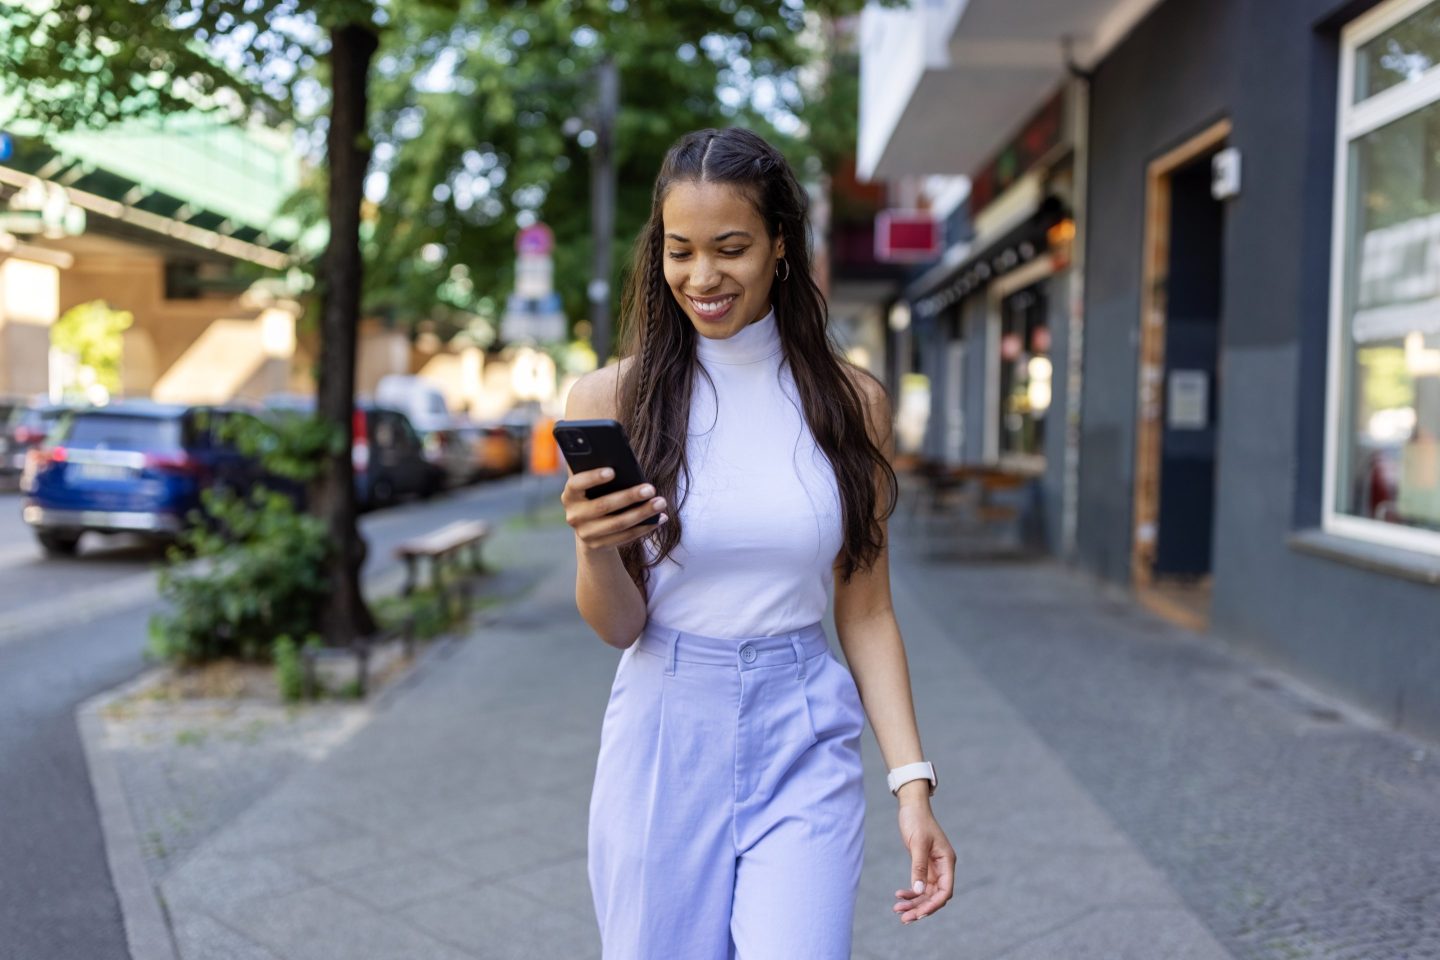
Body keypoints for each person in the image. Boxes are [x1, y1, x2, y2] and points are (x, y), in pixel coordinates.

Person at [560, 127, 956, 959]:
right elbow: (618, 627)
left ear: (780, 247)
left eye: (731, 248)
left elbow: (870, 611)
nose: (702, 277)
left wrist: (911, 785)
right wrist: (595, 547)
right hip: (666, 730)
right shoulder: (612, 396)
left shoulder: (853, 404)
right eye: (680, 251)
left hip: (802, 725)